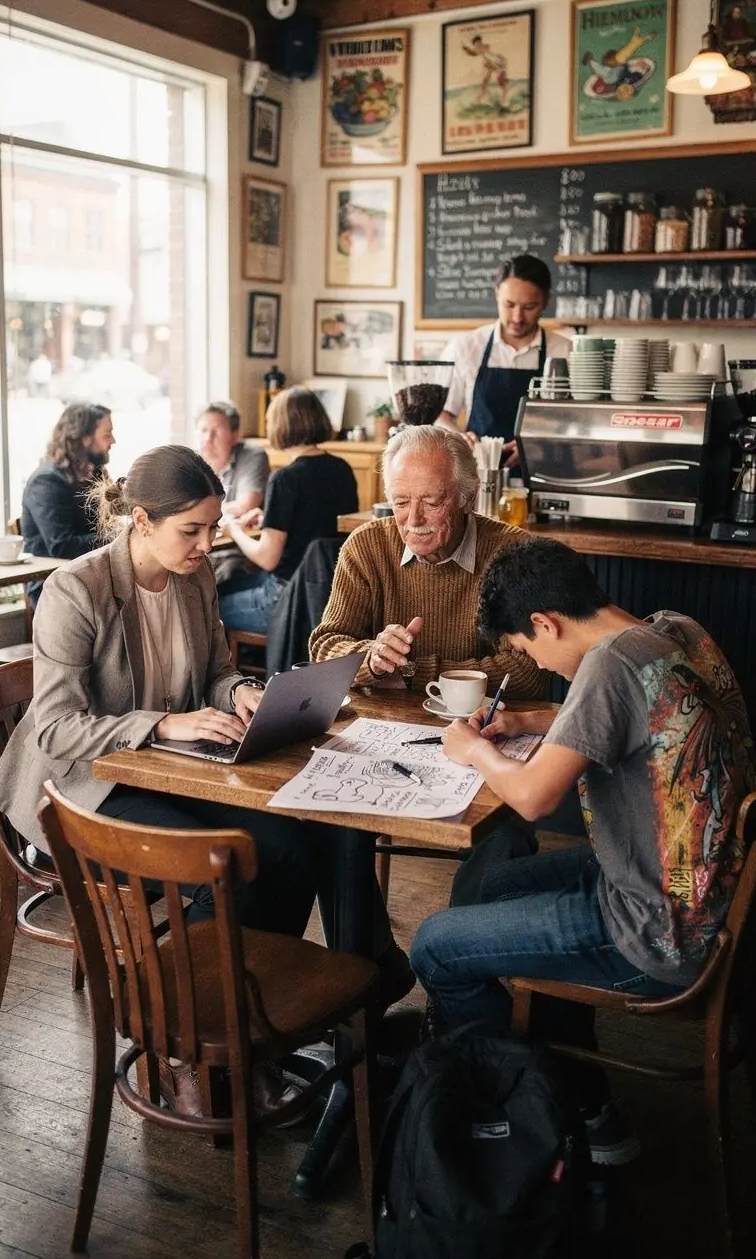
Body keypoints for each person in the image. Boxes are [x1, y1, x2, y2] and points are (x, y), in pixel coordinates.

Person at [0, 445, 320, 1118]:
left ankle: (245, 1027)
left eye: (213, 527)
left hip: (162, 769)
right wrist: (165, 725)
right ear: (140, 520)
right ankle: (178, 1045)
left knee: (290, 846)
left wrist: (239, 696)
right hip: (80, 790)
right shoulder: (76, 589)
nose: (207, 545)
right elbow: (54, 729)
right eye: (190, 530)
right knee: (211, 870)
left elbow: (219, 671)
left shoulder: (196, 578)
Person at [411, 538, 755, 1163]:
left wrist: (475, 750)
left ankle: (519, 1110)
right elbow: (627, 715)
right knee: (491, 888)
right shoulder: (671, 633)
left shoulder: (608, 667)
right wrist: (525, 723)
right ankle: (584, 1099)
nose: (538, 663)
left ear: (545, 622)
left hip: (656, 932)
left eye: (525, 648)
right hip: (694, 896)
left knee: (434, 944)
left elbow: (534, 799)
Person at [309, 425, 544, 700]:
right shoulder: (366, 546)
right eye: (401, 502)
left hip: (482, 726)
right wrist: (374, 658)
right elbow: (325, 649)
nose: (413, 520)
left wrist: (412, 673)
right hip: (381, 726)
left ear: (468, 498)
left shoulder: (512, 553)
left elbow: (528, 672)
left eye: (432, 502)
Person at [217, 387, 358, 637]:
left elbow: (267, 559)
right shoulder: (342, 469)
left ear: (282, 425)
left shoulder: (285, 478)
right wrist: (268, 517)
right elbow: (315, 521)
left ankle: (230, 672)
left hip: (287, 598)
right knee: (221, 589)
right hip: (330, 594)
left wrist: (235, 530)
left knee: (208, 607)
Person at [439, 254, 571, 468]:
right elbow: (442, 413)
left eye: (529, 307)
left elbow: (574, 422)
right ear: (496, 295)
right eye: (509, 305)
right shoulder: (466, 347)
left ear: (546, 301)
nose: (518, 317)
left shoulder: (565, 351)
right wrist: (460, 438)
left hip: (544, 472)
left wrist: (540, 444)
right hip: (480, 474)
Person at [21, 403, 114, 607]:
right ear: (84, 438)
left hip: (88, 577)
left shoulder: (93, 475)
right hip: (53, 586)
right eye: (107, 435)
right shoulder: (46, 481)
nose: (113, 441)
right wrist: (117, 538)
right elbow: (61, 546)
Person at [196, 400, 269, 593]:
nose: (207, 438)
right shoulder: (192, 461)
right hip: (201, 549)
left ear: (235, 435)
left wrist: (198, 515)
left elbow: (247, 503)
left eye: (216, 431)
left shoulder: (252, 454)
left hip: (236, 551)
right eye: (203, 430)